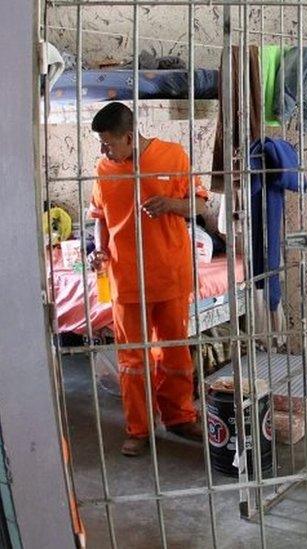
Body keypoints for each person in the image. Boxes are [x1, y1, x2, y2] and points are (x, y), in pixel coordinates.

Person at [87, 102, 208, 456]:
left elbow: (200, 205)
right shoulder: (103, 169)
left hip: (170, 275)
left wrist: (170, 205)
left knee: (174, 355)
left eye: (108, 143)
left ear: (129, 136)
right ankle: (139, 429)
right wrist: (100, 248)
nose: (104, 150)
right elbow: (100, 216)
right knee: (132, 362)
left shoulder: (173, 156)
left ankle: (180, 417)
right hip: (126, 281)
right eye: (101, 144)